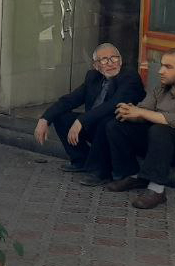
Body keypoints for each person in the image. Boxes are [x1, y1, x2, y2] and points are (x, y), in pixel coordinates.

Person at [105, 48, 175, 209]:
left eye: (168, 67)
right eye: (161, 65)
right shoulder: (162, 88)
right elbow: (144, 110)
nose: (160, 71)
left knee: (160, 130)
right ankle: (133, 175)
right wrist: (130, 113)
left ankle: (157, 190)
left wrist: (141, 112)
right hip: (162, 142)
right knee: (116, 125)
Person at [34, 43, 145, 184]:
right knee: (62, 117)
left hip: (121, 132)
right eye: (104, 60)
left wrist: (81, 120)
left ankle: (100, 172)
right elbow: (71, 99)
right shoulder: (93, 77)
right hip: (96, 127)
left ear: (121, 60)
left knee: (106, 120)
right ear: (96, 65)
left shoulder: (130, 77)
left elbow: (114, 104)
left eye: (114, 58)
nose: (110, 63)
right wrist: (45, 118)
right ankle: (81, 160)